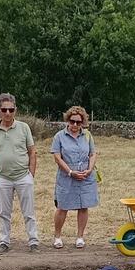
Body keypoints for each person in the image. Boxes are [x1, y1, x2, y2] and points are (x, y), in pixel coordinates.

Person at [0, 93, 39, 253]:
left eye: (11, 109)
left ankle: (33, 241)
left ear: (15, 110)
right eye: (4, 109)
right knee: (3, 213)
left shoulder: (24, 128)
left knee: (29, 212)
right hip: (2, 178)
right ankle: (4, 242)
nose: (7, 113)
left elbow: (32, 151)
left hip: (23, 176)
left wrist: (31, 174)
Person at [51, 106, 98, 249]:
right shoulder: (59, 136)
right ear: (68, 120)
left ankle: (80, 237)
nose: (75, 125)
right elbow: (57, 158)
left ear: (83, 122)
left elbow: (92, 153)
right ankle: (57, 236)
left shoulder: (88, 135)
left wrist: (89, 169)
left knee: (83, 206)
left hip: (85, 176)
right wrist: (70, 172)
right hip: (66, 176)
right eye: (72, 122)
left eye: (79, 122)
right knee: (62, 207)